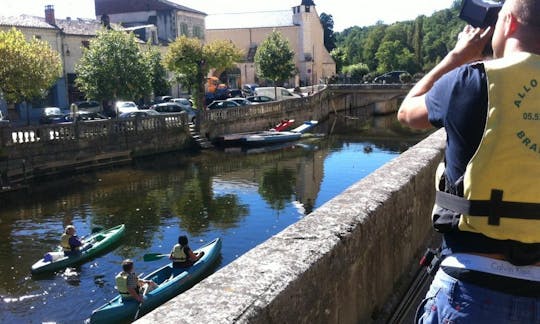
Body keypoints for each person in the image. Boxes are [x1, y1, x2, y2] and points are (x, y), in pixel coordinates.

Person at [398, 0, 540, 322]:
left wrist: (458, 56)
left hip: (468, 293)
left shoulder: (468, 81)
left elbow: (407, 111)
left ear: (509, 22)